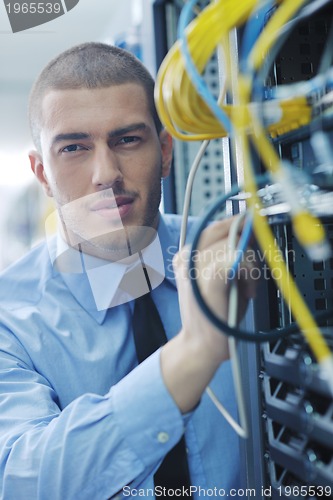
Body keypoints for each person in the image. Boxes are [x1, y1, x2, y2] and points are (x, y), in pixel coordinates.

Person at [0, 43, 256, 499]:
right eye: (74, 147)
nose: (106, 173)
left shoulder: (236, 259)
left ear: (165, 151)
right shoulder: (9, 318)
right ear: (42, 174)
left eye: (127, 140)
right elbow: (23, 480)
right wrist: (191, 356)